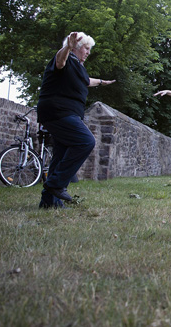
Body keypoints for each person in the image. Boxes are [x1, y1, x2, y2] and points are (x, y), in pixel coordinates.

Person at [37, 32, 116, 209]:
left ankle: (49, 202)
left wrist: (103, 82)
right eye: (86, 49)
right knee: (86, 141)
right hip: (58, 111)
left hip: (66, 113)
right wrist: (68, 47)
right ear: (76, 48)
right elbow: (59, 61)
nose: (88, 52)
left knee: (60, 154)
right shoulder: (66, 59)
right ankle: (56, 184)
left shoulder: (78, 67)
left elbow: (87, 81)